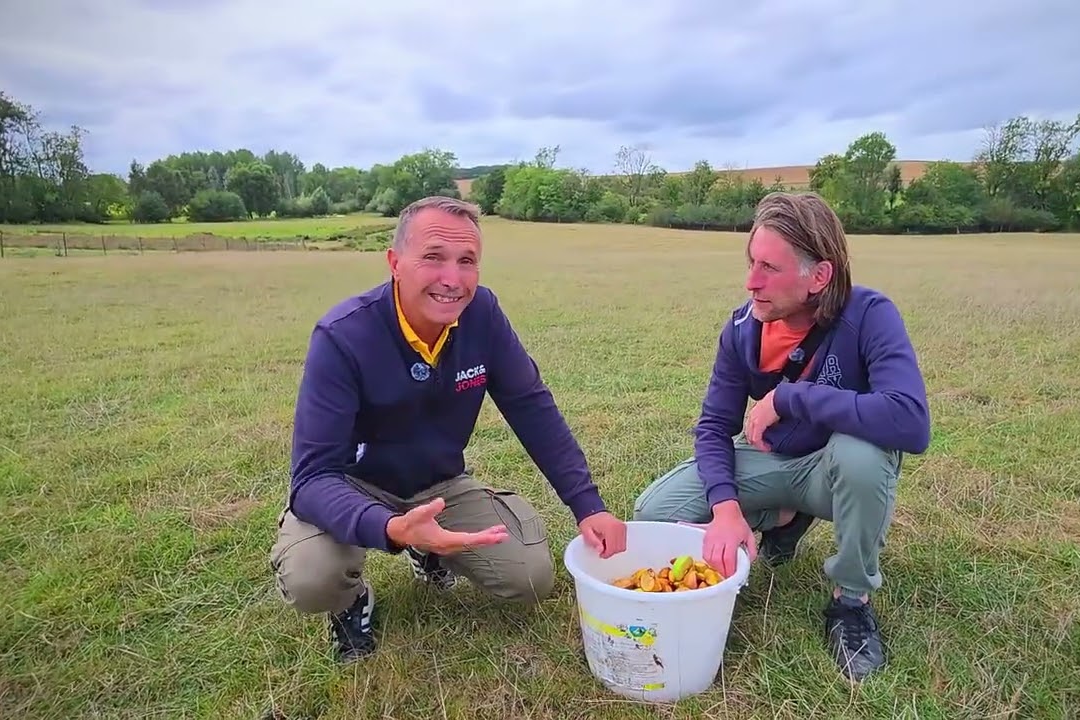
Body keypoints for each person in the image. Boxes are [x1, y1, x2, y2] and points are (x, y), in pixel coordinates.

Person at [270, 195, 628, 663]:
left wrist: (588, 506)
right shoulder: (343, 336)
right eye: (433, 258)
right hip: (352, 485)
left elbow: (531, 408)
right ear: (395, 263)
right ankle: (351, 601)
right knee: (311, 577)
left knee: (529, 577)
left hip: (439, 484)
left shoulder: (482, 315)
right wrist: (394, 528)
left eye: (467, 261)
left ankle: (433, 550)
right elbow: (313, 478)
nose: (452, 280)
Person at [632, 191, 930, 681]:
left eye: (769, 268)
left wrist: (793, 397)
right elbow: (712, 428)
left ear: (819, 276)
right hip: (769, 460)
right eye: (751, 262)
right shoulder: (742, 330)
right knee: (653, 513)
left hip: (832, 472)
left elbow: (910, 421)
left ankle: (850, 602)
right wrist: (727, 513)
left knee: (862, 456)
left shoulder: (870, 315)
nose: (751, 282)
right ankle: (781, 518)